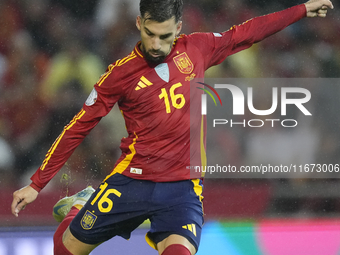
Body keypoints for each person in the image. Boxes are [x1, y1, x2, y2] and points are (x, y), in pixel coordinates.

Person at [11, 0, 333, 254]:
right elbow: (78, 127)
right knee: (64, 249)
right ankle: (78, 208)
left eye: (165, 36)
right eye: (149, 33)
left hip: (182, 188)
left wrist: (302, 10)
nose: (155, 43)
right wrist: (37, 183)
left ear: (178, 28)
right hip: (131, 182)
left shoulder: (198, 48)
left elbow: (248, 32)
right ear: (139, 23)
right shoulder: (119, 76)